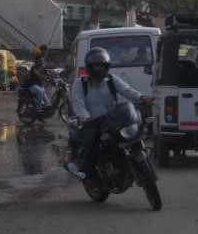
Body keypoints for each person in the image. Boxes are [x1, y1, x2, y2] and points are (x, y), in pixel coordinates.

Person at [65, 47, 153, 181]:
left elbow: (127, 90)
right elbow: (78, 103)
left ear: (106, 66)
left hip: (111, 120)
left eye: (102, 65)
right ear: (89, 67)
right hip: (92, 123)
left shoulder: (111, 79)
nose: (99, 68)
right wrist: (86, 117)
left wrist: (141, 97)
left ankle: (124, 164)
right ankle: (86, 172)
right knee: (91, 142)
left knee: (129, 134)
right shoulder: (80, 83)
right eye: (96, 65)